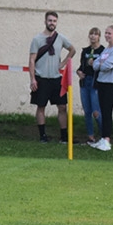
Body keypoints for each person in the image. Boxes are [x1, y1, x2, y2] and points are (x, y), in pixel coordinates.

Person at [28, 11, 76, 143]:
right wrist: (32, 79)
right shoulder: (37, 39)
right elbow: (32, 60)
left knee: (62, 107)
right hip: (41, 78)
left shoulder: (60, 38)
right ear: (45, 21)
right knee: (41, 106)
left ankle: (64, 137)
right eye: (50, 20)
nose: (52, 23)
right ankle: (43, 136)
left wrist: (64, 62)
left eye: (54, 21)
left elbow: (72, 50)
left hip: (56, 78)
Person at [90, 24, 113, 152]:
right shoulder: (106, 50)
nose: (107, 35)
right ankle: (103, 138)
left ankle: (107, 139)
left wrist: (100, 64)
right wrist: (100, 64)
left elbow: (106, 66)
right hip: (102, 83)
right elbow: (95, 65)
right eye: (106, 33)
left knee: (107, 111)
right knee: (103, 111)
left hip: (111, 84)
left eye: (109, 33)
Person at [77, 27, 104, 145]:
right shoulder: (85, 51)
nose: (93, 36)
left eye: (96, 34)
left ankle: (104, 135)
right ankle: (90, 136)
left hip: (95, 83)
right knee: (87, 111)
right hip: (85, 82)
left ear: (99, 37)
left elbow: (104, 67)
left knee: (96, 112)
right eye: (91, 34)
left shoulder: (103, 51)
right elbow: (81, 66)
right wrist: (79, 72)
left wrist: (96, 64)